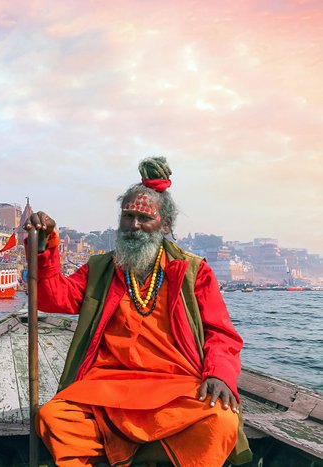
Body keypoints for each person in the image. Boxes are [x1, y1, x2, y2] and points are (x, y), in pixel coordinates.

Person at [24, 157, 249, 467]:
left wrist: (219, 375)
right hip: (106, 386)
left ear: (165, 225)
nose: (133, 226)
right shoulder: (101, 268)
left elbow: (221, 334)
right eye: (127, 216)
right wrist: (45, 247)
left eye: (144, 218)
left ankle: (130, 455)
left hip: (175, 386)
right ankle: (151, 454)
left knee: (221, 421)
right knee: (53, 418)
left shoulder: (193, 272)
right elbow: (52, 299)